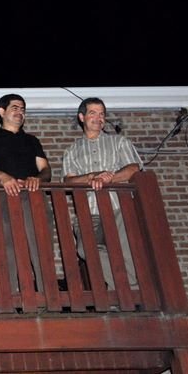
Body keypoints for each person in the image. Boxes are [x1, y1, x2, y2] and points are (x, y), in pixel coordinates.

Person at [62, 97, 142, 289]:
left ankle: (122, 294)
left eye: (102, 114)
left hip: (119, 207)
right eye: (93, 113)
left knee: (126, 253)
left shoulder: (119, 141)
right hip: (89, 212)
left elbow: (134, 169)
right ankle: (129, 289)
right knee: (86, 249)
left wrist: (109, 178)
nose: (99, 118)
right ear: (82, 117)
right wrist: (92, 176)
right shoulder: (71, 150)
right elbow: (68, 182)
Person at [0, 93, 52, 292]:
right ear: (2, 111)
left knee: (40, 245)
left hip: (33, 195)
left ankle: (47, 297)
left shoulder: (31, 140)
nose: (20, 112)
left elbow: (46, 169)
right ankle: (5, 299)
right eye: (15, 108)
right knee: (5, 247)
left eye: (23, 109)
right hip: (3, 195)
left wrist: (37, 178)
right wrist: (3, 177)